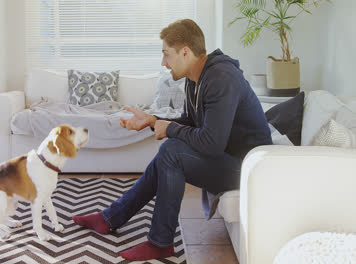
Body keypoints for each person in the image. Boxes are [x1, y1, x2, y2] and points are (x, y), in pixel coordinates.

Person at [72, 19, 272, 261]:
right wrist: (152, 120)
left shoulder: (221, 78)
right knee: (171, 151)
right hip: (228, 158)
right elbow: (190, 121)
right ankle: (110, 218)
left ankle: (160, 242)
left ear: (185, 52)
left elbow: (212, 142)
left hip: (249, 169)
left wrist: (167, 129)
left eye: (167, 54)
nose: (163, 63)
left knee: (172, 151)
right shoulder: (194, 78)